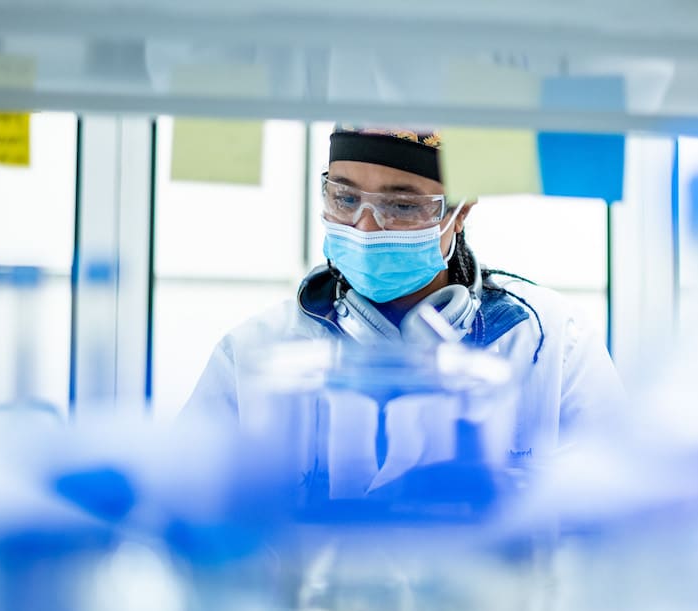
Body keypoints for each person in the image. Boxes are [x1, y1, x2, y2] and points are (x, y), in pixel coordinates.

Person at [182, 125, 625, 464]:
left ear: (460, 210)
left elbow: (614, 529)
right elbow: (184, 519)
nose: (365, 227)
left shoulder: (551, 344)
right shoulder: (253, 353)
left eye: (402, 206)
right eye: (345, 198)